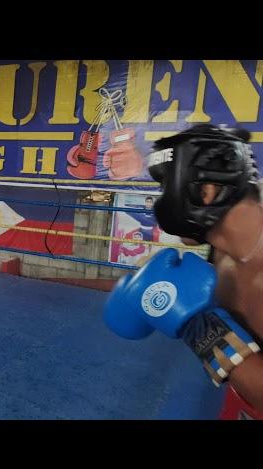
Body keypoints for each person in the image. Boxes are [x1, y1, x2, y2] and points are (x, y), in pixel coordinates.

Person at [104, 124, 263, 415]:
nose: (162, 200)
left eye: (166, 187)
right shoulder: (224, 252)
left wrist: (202, 328)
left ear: (206, 190)